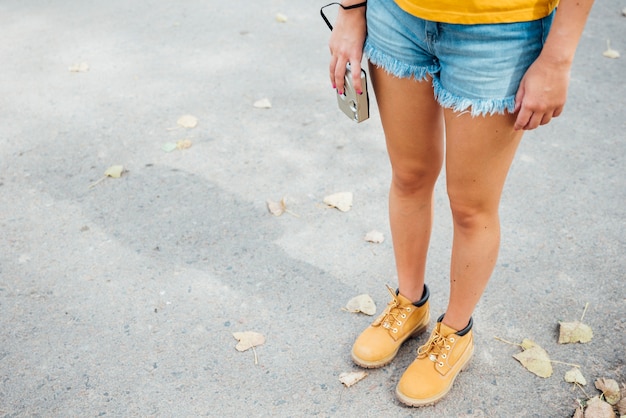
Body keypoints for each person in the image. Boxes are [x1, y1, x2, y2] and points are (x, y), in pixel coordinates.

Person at [327, 0, 594, 407]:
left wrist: (558, 59)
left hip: (500, 29)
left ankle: (455, 332)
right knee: (409, 176)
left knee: (472, 206)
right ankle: (410, 304)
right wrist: (350, 9)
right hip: (398, 15)